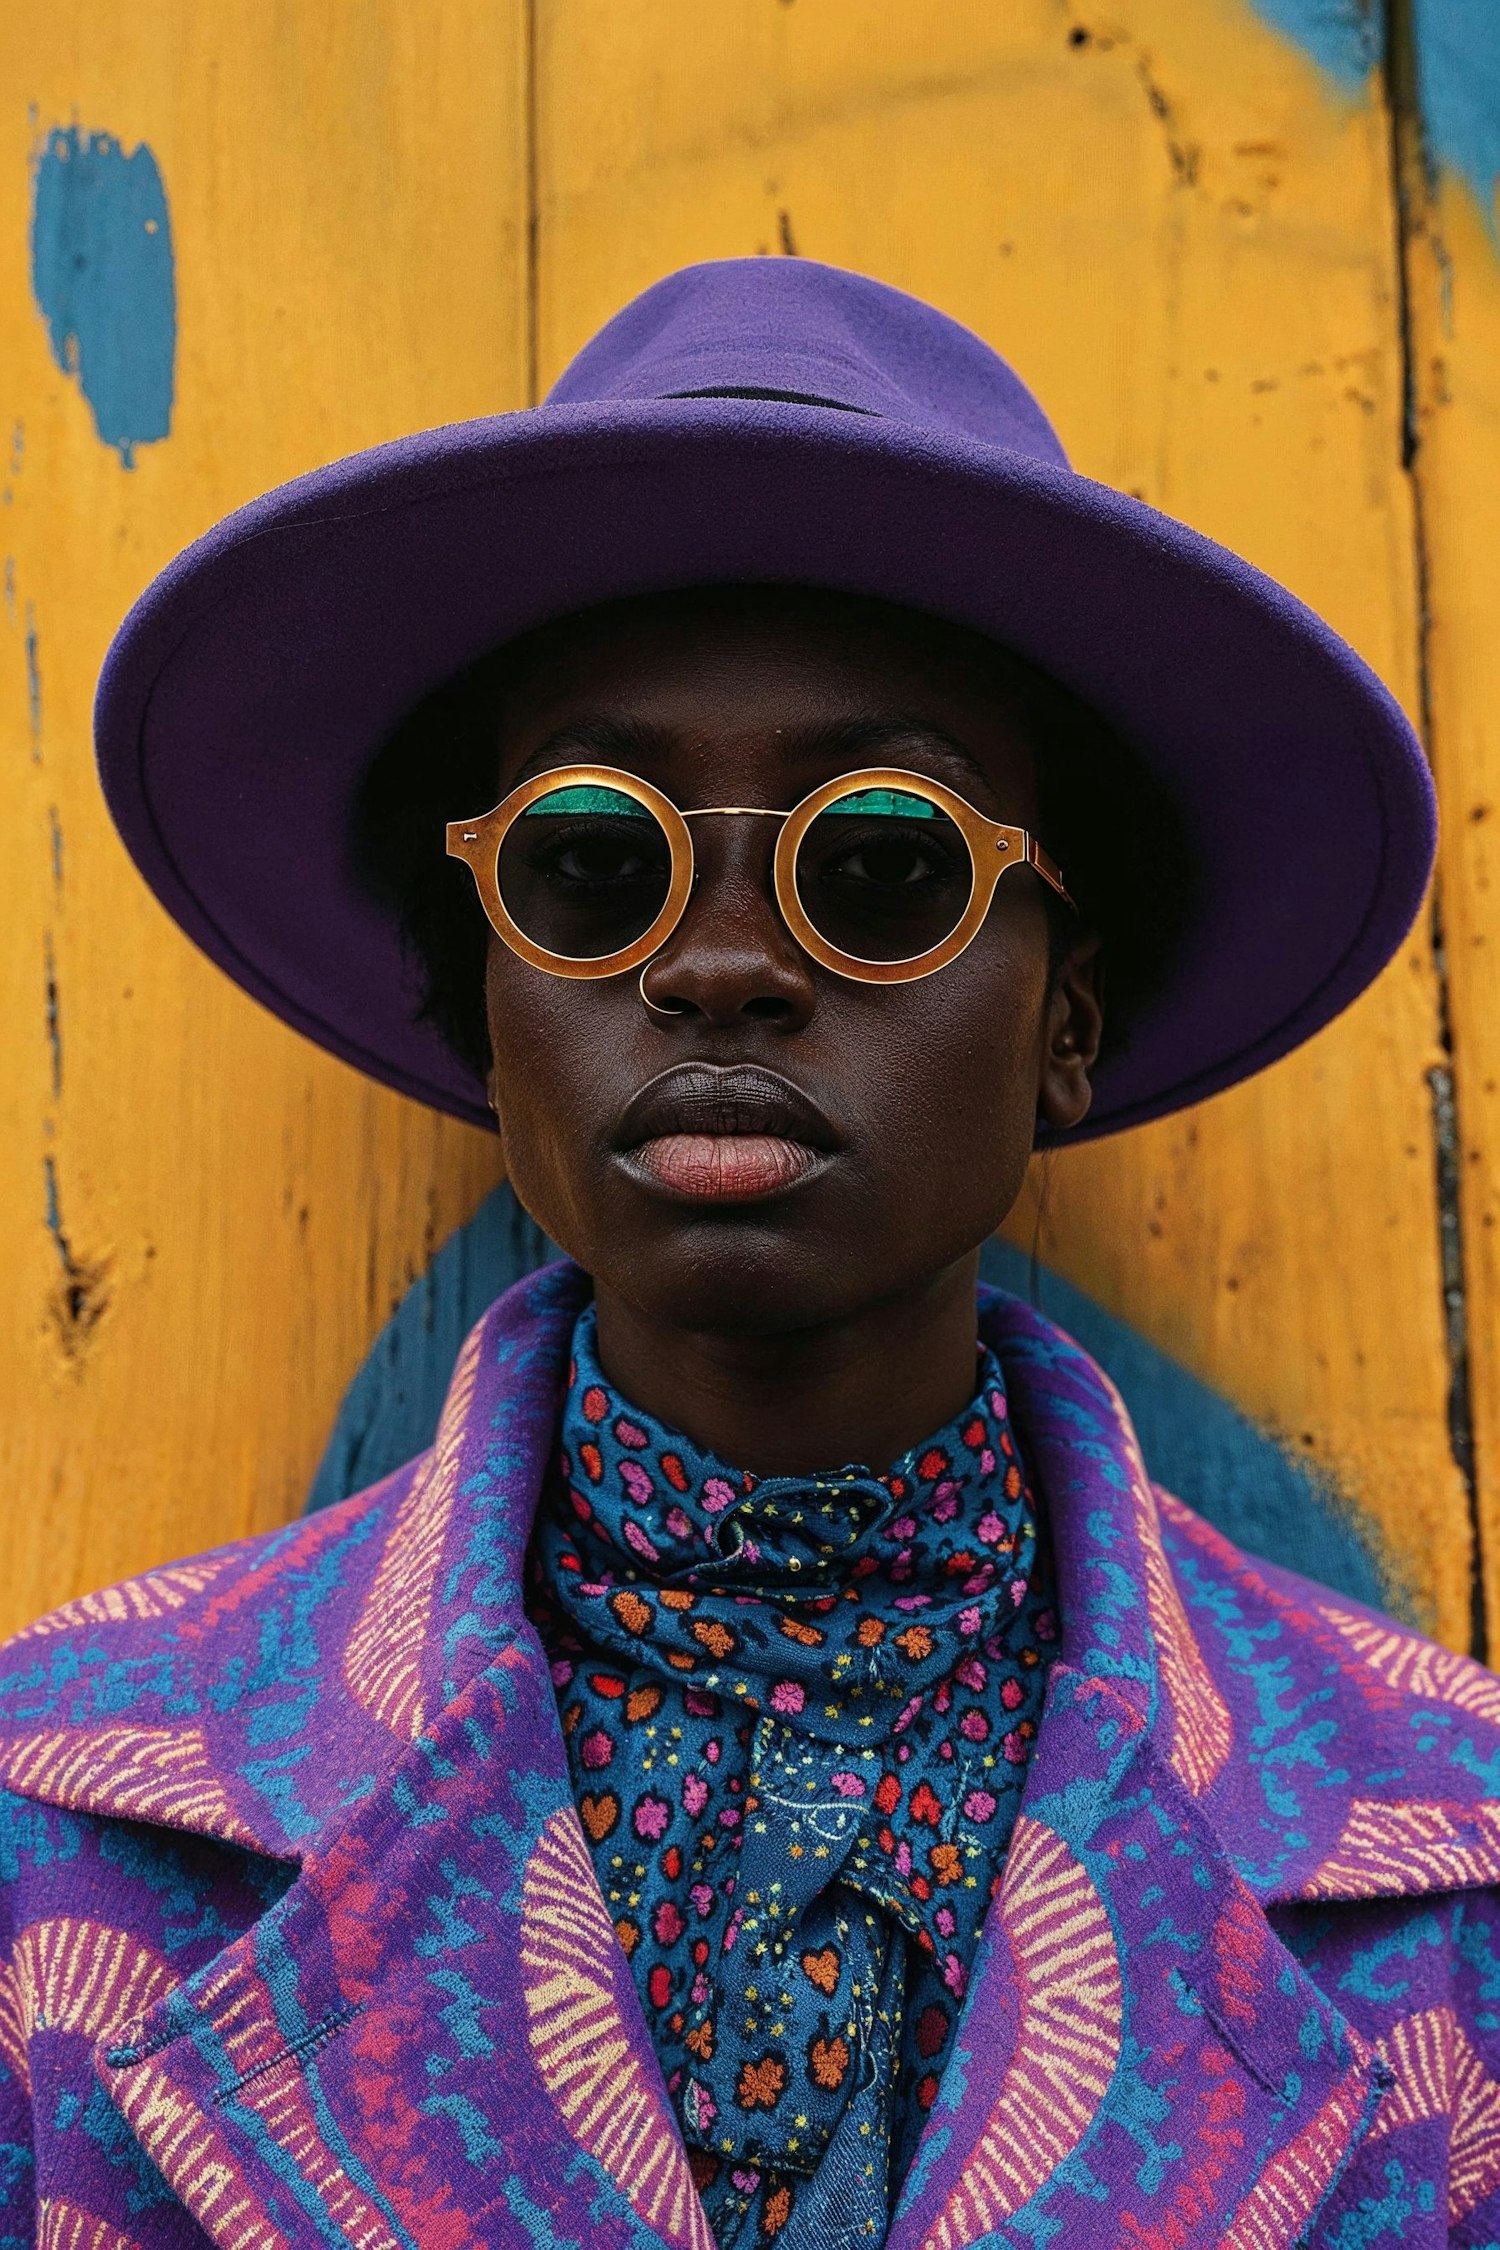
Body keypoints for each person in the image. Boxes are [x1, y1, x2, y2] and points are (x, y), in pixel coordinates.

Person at [0, 258, 1491, 2250]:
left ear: (1066, 1017)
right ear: (488, 1008)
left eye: (881, 863)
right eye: (592, 863)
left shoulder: (1451, 1857)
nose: (718, 964)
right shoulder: (62, 1818)